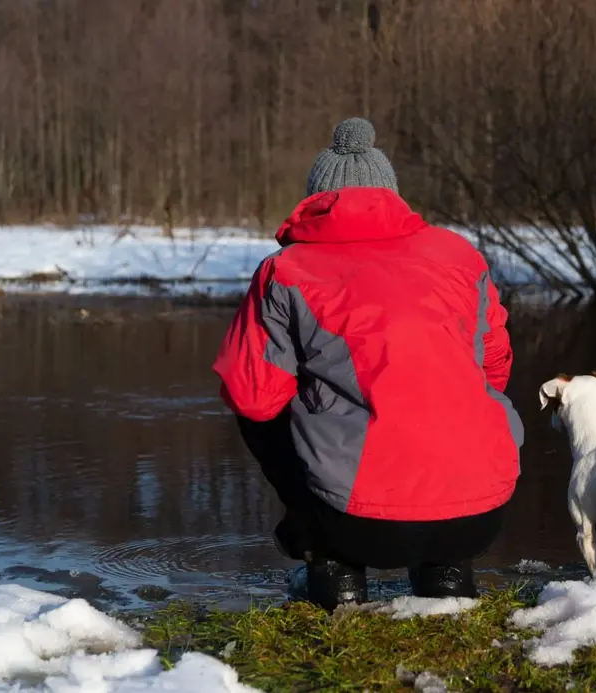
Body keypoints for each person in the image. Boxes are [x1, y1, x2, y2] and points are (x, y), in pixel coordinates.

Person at [212, 117, 524, 611]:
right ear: (393, 195)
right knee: (457, 388)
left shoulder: (287, 270)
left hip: (355, 522)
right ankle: (446, 576)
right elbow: (496, 369)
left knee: (259, 407)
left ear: (314, 199)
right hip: (479, 513)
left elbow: (253, 396)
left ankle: (331, 567)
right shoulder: (460, 257)